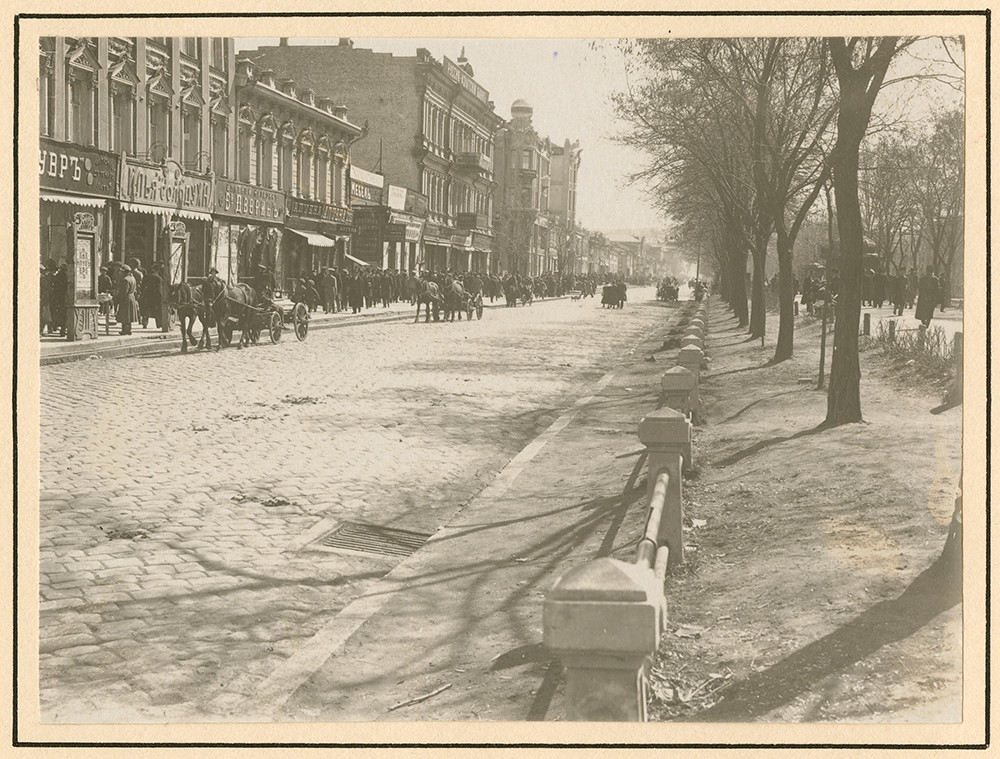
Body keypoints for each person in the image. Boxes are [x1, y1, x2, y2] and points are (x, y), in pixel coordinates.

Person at [116, 264, 139, 335]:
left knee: (125, 315)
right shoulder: (133, 278)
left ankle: (124, 330)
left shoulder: (125, 280)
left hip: (126, 299)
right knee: (129, 316)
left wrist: (118, 297)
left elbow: (124, 291)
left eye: (121, 272)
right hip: (132, 297)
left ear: (124, 272)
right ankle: (128, 329)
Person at [140, 263, 162, 329]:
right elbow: (159, 289)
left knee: (146, 310)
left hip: (147, 296)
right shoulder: (159, 278)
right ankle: (159, 324)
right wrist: (161, 297)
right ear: (158, 270)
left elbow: (142, 287)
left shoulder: (146, 276)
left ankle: (145, 324)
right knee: (157, 310)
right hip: (156, 296)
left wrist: (143, 294)